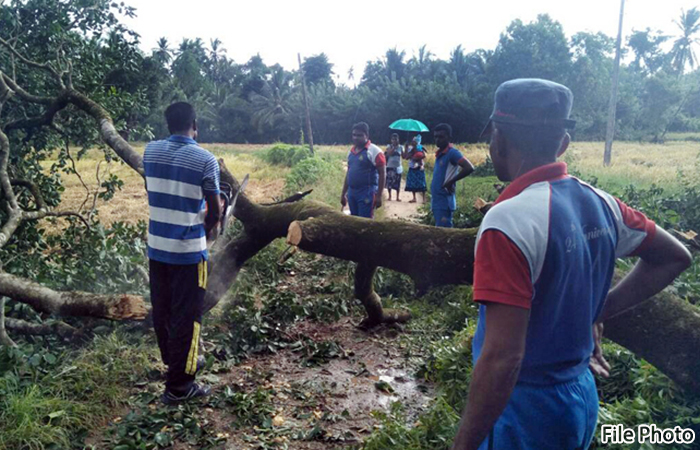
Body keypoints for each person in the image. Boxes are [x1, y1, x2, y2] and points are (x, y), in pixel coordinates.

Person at [451, 79, 691, 450]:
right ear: (562, 143)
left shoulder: (507, 222)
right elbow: (675, 256)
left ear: (496, 139)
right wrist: (599, 310)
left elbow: (502, 359)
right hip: (579, 397)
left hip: (524, 410)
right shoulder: (602, 203)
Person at [144, 102, 222, 405]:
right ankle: (180, 386)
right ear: (195, 124)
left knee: (163, 311)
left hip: (157, 248)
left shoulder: (150, 151)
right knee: (187, 317)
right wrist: (208, 226)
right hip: (188, 253)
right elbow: (214, 209)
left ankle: (177, 364)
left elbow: (158, 190)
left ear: (168, 124)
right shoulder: (205, 159)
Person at [430, 123, 474, 228]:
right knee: (440, 230)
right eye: (435, 137)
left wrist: (451, 181)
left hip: (445, 201)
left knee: (444, 233)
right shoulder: (440, 154)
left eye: (441, 137)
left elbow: (469, 167)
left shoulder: (452, 153)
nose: (437, 140)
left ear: (449, 137)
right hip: (437, 200)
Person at [340, 122, 386, 218]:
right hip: (352, 193)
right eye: (354, 135)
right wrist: (343, 193)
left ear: (367, 135)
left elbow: (382, 173)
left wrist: (379, 196)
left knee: (365, 222)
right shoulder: (351, 152)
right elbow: (349, 174)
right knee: (354, 221)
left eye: (359, 135)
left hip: (367, 192)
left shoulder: (374, 151)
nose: (356, 137)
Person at [403, 134, 427, 203]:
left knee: (422, 183)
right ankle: (414, 198)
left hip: (419, 167)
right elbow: (406, 157)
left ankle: (424, 199)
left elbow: (423, 156)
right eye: (413, 141)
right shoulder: (411, 149)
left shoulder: (420, 148)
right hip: (412, 167)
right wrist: (406, 148)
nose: (413, 142)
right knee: (412, 183)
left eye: (414, 141)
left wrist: (416, 157)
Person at [385, 133, 404, 201]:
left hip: (398, 167)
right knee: (389, 182)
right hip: (390, 166)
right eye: (393, 139)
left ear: (398, 140)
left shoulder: (401, 147)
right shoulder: (389, 146)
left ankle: (397, 197)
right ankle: (389, 196)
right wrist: (394, 148)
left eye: (396, 139)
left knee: (397, 182)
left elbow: (404, 156)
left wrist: (406, 148)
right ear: (391, 140)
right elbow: (389, 153)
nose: (394, 140)